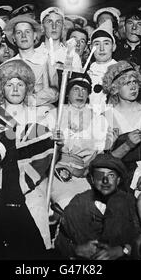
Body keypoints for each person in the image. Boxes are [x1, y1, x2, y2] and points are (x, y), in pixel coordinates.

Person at [0, 59, 57, 249]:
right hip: (0, 181)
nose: (15, 89)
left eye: (20, 84)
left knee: (37, 225)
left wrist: (54, 139)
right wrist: (20, 135)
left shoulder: (37, 114)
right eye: (9, 84)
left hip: (33, 180)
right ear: (0, 89)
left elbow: (44, 150)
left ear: (27, 88)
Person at [55, 153, 141, 260]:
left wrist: (122, 250)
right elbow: (60, 244)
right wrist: (77, 250)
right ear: (92, 179)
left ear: (118, 180)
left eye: (111, 175)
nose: (105, 181)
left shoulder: (130, 202)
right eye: (100, 175)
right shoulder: (78, 203)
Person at [50, 73, 109, 210]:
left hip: (84, 175)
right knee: (69, 206)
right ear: (67, 92)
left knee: (96, 208)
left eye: (84, 90)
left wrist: (86, 171)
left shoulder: (98, 119)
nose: (80, 93)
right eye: (76, 89)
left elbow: (99, 154)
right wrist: (55, 144)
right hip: (57, 173)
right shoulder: (54, 115)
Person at [102, 60, 141, 192]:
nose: (133, 87)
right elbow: (102, 162)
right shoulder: (106, 118)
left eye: (135, 82)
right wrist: (127, 145)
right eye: (127, 83)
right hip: (120, 181)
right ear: (115, 88)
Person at [4, 14, 59, 107]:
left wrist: (31, 101)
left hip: (42, 113)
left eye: (27, 32)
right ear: (13, 38)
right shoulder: (9, 65)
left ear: (35, 36)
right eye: (18, 33)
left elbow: (55, 92)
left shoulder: (45, 60)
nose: (23, 36)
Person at [86, 20, 118, 111]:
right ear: (91, 47)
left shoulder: (121, 72)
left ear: (114, 47)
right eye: (97, 44)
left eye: (106, 43)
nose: (101, 48)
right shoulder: (86, 73)